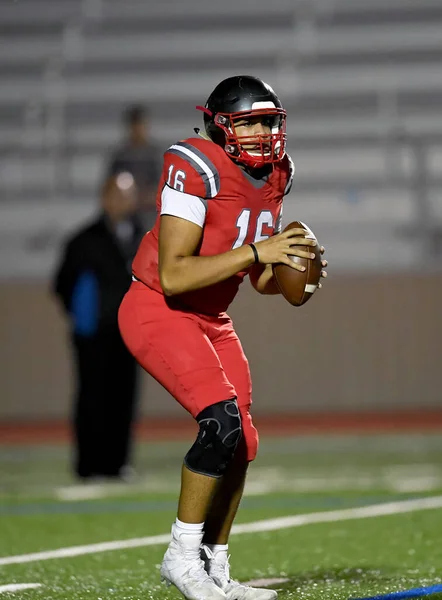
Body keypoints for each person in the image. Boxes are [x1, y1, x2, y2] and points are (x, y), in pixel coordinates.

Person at [118, 75, 327, 600]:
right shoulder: (195, 164)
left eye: (268, 122)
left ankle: (215, 566)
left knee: (243, 441)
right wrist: (261, 253)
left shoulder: (278, 173)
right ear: (219, 124)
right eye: (249, 122)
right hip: (158, 306)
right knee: (220, 423)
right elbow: (175, 273)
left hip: (213, 317)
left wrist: (290, 271)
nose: (261, 133)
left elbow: (256, 279)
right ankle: (181, 557)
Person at [53, 172, 144, 481]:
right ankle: (88, 464)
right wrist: (84, 316)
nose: (124, 201)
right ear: (105, 198)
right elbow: (62, 284)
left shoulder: (145, 238)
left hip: (130, 333)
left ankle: (118, 463)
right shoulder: (83, 240)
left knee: (124, 397)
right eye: (118, 195)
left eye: (129, 195)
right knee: (92, 397)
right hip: (93, 336)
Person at [107, 104, 162, 231]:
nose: (138, 130)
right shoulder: (120, 156)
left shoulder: (155, 155)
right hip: (125, 215)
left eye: (141, 125)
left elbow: (162, 187)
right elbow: (111, 188)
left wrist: (143, 197)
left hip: (150, 215)